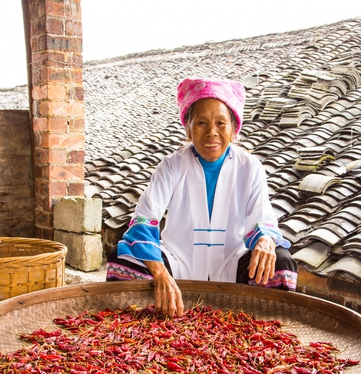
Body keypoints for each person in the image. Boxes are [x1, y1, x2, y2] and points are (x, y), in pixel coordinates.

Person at [106, 77, 297, 317]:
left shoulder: (250, 166)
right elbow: (145, 217)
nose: (211, 133)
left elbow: (262, 217)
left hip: (232, 260)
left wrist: (266, 241)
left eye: (220, 123)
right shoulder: (171, 165)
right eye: (201, 123)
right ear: (188, 128)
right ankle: (139, 328)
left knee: (279, 262)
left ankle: (262, 329)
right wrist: (161, 274)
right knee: (122, 258)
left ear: (234, 129)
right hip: (178, 261)